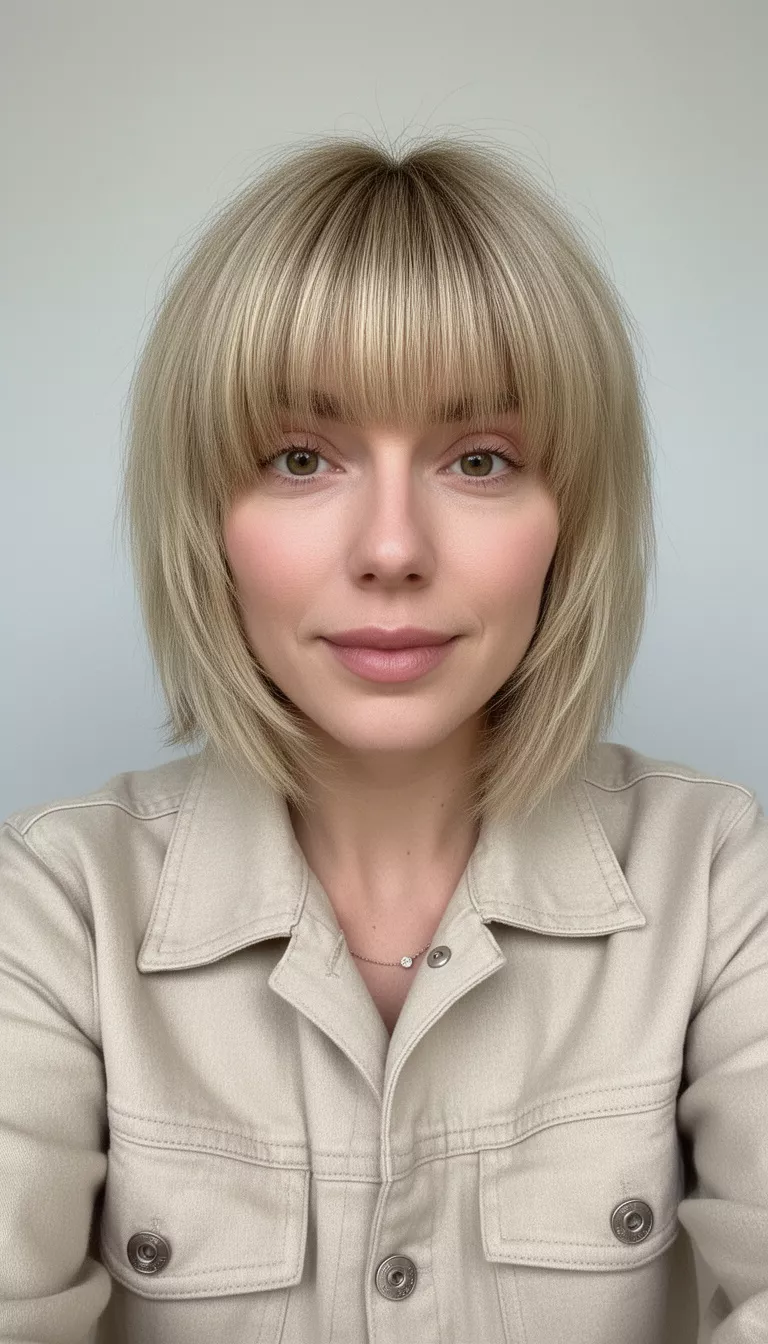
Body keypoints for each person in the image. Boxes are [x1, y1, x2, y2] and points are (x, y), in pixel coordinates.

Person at [1, 131, 766, 1344]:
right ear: (209, 515)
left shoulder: (721, 874)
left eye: (480, 459)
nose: (394, 547)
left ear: (574, 517)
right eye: (302, 458)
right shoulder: (52, 905)